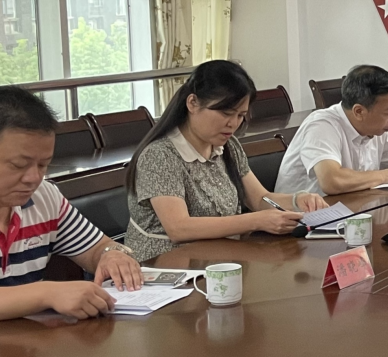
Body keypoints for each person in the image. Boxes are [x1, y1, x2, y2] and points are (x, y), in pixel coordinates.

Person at [0, 86, 144, 330]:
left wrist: (112, 254)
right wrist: (47, 293)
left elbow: (96, 248)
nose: (33, 178)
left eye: (43, 165)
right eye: (18, 165)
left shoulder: (43, 196)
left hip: (25, 344)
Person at [126, 61, 327, 262]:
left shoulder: (228, 146)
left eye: (240, 116)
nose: (233, 124)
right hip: (165, 265)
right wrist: (255, 221)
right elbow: (179, 228)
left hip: (219, 257)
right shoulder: (160, 155)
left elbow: (258, 199)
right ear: (193, 103)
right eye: (226, 113)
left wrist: (297, 200)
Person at [275, 65, 388, 196]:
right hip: (300, 223)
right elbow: (331, 180)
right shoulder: (322, 126)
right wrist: (383, 176)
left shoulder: (377, 129)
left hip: (350, 210)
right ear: (359, 112)